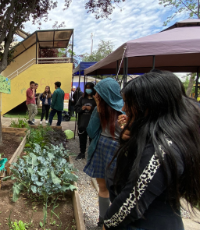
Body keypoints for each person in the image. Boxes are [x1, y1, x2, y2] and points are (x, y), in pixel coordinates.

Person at [103, 71, 200, 230]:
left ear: (149, 106)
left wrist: (108, 223)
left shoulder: (162, 151)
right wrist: (128, 137)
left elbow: (130, 203)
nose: (124, 108)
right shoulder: (162, 133)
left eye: (129, 102)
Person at [83, 78, 123, 227]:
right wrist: (97, 112)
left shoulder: (126, 109)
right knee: (103, 187)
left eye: (98, 93)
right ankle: (103, 219)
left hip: (119, 151)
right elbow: (91, 132)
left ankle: (117, 219)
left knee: (119, 190)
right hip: (101, 148)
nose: (95, 95)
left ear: (106, 94)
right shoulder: (99, 109)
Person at [75, 82, 96, 160]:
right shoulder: (82, 98)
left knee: (92, 140)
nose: (88, 90)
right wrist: (82, 109)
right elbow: (76, 108)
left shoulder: (95, 99)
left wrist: (92, 109)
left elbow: (100, 110)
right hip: (82, 123)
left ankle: (91, 155)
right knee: (82, 139)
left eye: (89, 88)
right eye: (86, 88)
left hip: (92, 123)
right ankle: (82, 153)